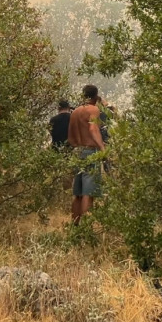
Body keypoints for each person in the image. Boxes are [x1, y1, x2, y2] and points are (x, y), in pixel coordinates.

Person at [67, 84, 105, 224]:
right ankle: (86, 227)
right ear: (95, 96)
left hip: (77, 152)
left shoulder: (75, 112)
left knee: (78, 193)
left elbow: (70, 138)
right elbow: (93, 129)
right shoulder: (93, 109)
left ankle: (75, 225)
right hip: (90, 151)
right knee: (88, 193)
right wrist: (102, 148)